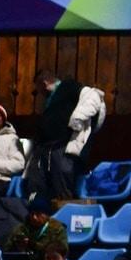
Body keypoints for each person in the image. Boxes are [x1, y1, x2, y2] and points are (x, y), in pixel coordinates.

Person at [25, 69, 100, 200]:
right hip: (47, 148)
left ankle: (65, 209)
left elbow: (92, 97)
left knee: (63, 179)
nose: (39, 91)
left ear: (43, 82)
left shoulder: (68, 86)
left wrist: (77, 120)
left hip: (62, 146)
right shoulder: (50, 99)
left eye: (37, 86)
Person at [4, 193, 68, 260]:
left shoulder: (57, 229)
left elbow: (62, 251)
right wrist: (17, 247)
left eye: (38, 214)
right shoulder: (21, 229)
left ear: (46, 215)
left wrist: (32, 245)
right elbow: (6, 251)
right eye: (32, 214)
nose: (34, 217)